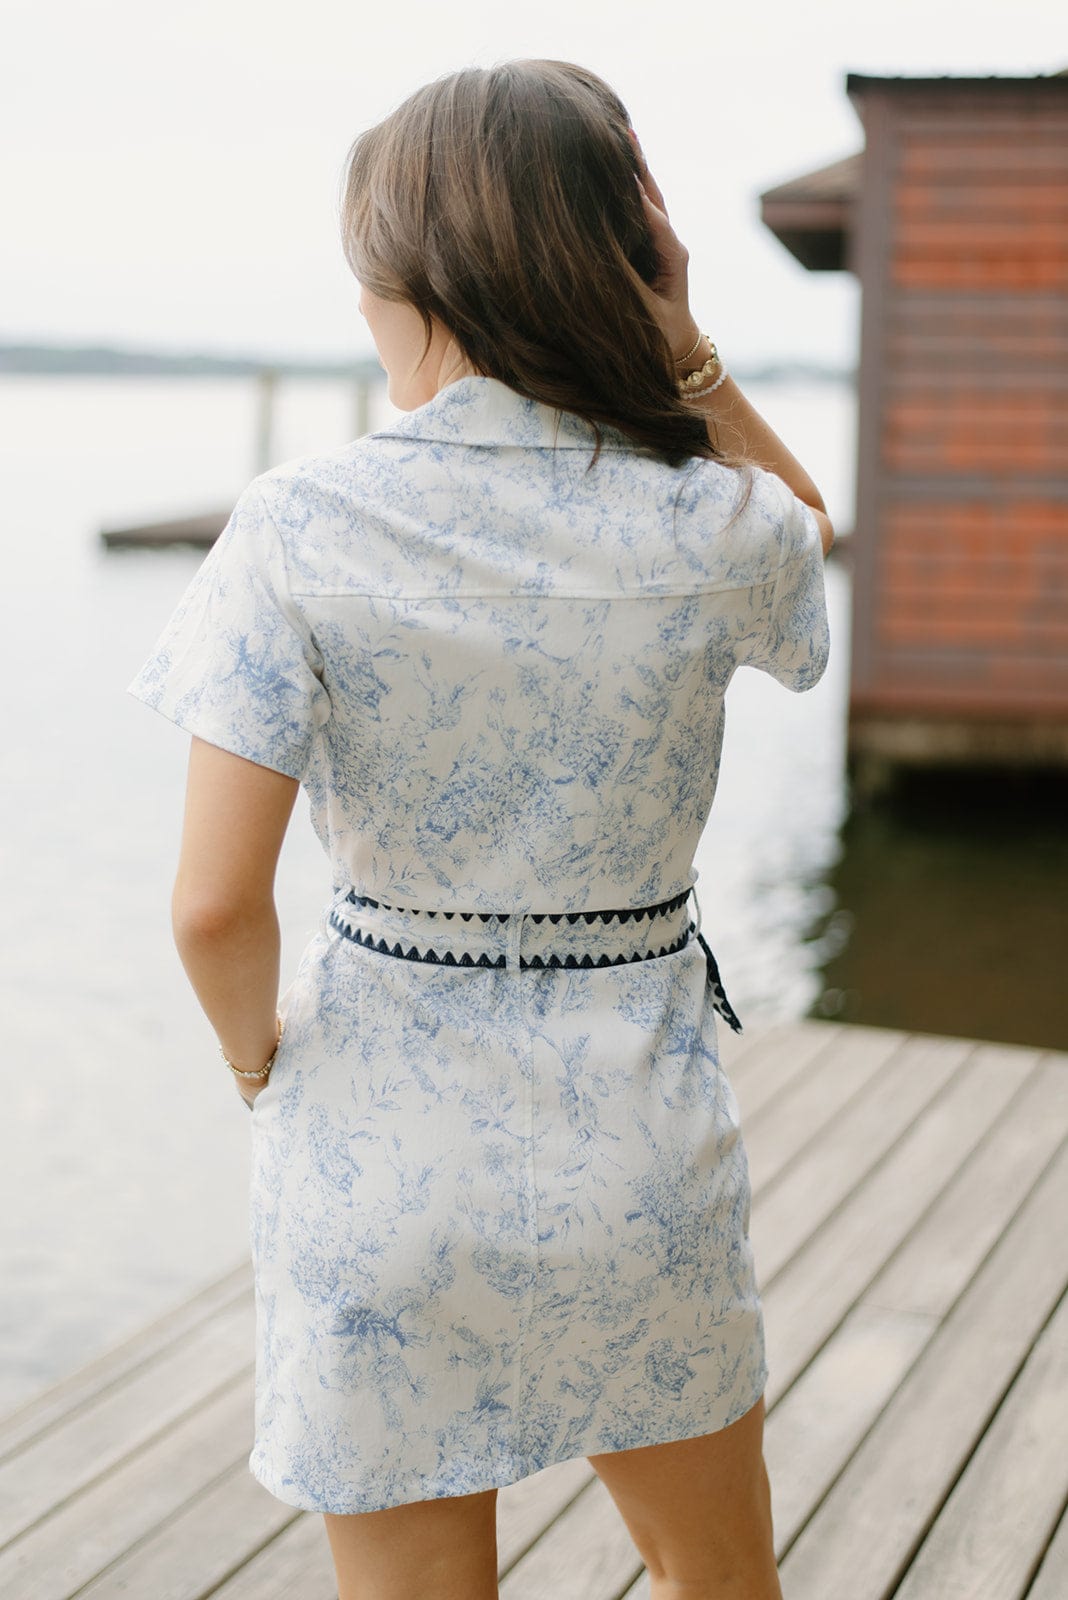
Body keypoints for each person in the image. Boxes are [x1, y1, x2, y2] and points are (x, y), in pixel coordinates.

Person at [129, 58, 832, 1600]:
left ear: (412, 276)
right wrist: (686, 340)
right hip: (635, 1155)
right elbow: (808, 541)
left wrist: (261, 1069)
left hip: (379, 1160)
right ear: (622, 264)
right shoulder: (711, 523)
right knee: (720, 1581)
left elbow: (209, 908)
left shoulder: (296, 528)